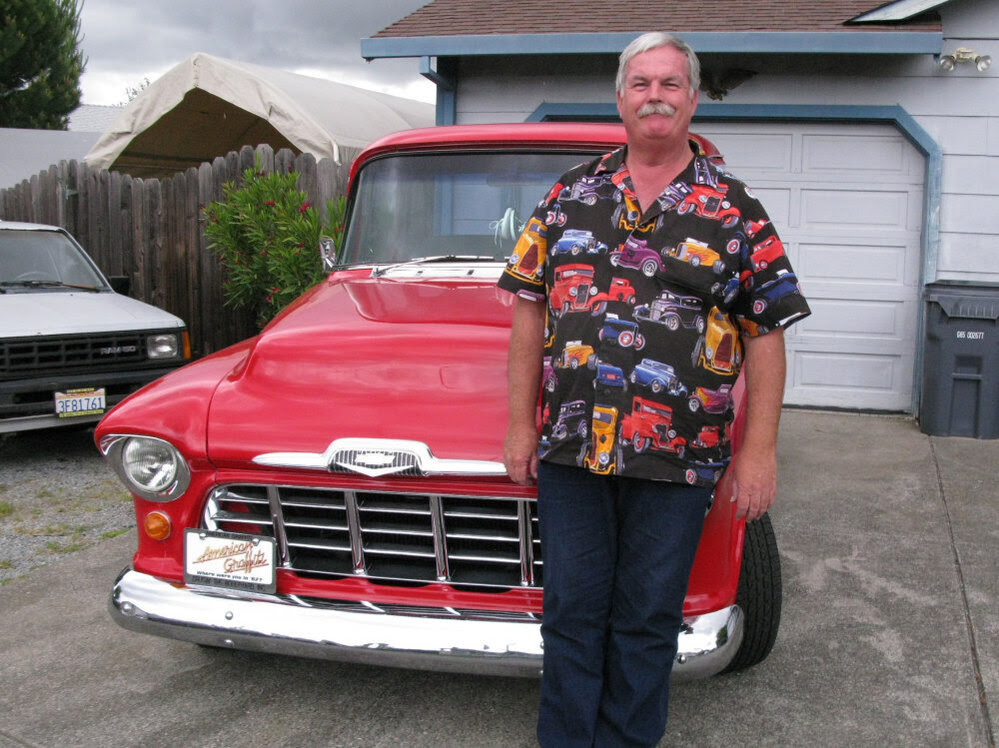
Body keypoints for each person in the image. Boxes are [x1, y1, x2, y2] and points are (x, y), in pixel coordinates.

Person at [498, 32, 811, 747]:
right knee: (571, 613)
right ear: (620, 99)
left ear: (692, 99)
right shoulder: (569, 194)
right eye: (640, 84)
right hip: (570, 448)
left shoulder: (734, 210)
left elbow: (766, 334)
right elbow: (527, 311)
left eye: (669, 84)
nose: (654, 96)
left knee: (645, 618)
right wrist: (520, 425)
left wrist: (758, 451)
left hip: (678, 453)